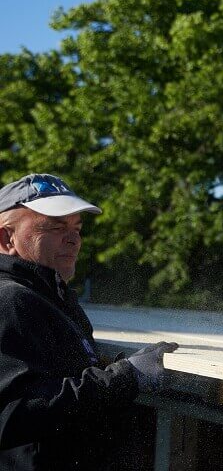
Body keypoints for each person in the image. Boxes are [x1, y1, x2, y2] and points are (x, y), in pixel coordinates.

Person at [0, 173, 178, 469]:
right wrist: (124, 377)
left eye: (77, 228)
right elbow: (10, 415)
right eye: (55, 227)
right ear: (7, 237)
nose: (73, 238)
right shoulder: (9, 301)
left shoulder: (50, 298)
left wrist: (115, 372)